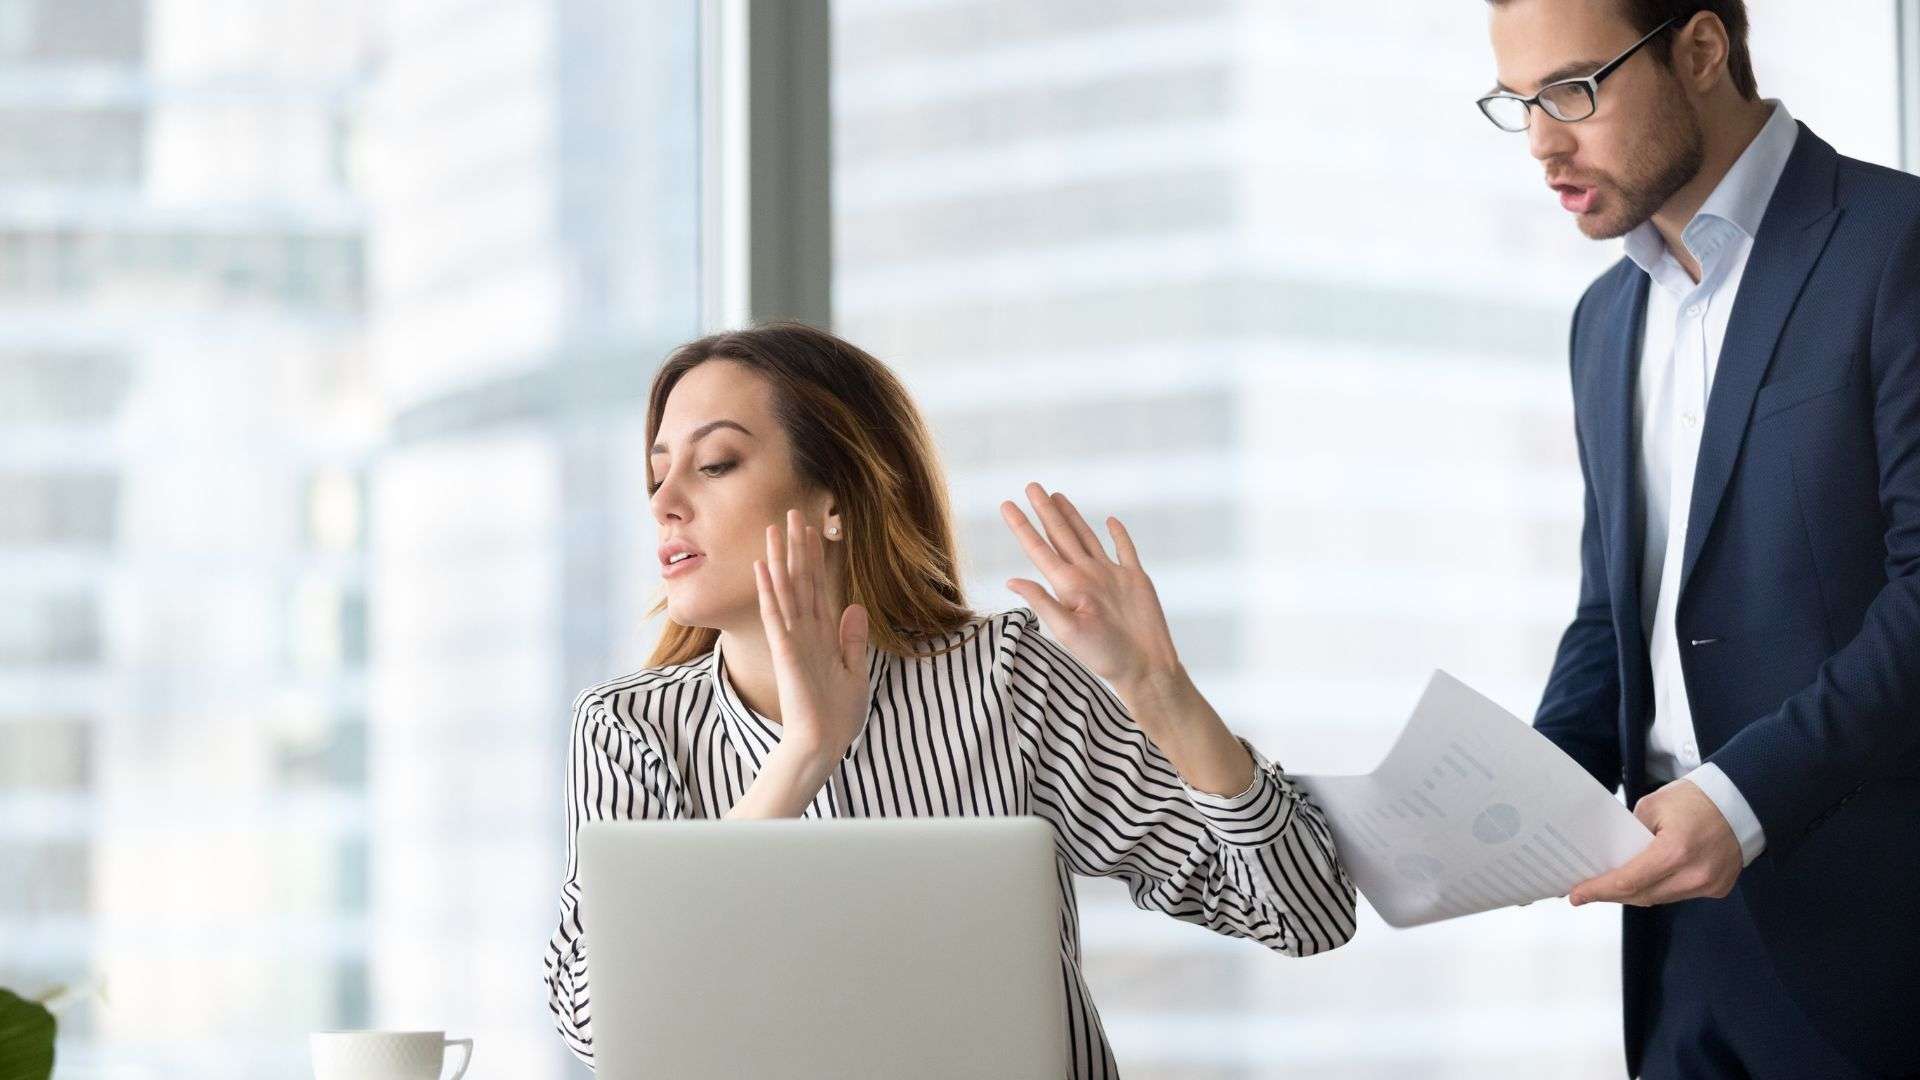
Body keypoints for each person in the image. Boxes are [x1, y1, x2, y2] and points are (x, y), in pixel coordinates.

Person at [541, 323, 1356, 1077]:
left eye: (715, 463)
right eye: (657, 473)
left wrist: (1158, 688)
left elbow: (1306, 912)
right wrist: (802, 758)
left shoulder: (1005, 678)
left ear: (834, 502)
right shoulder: (629, 728)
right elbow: (595, 1021)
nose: (663, 502)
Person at [1481, 1, 1920, 1076]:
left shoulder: (1896, 244)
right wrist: (1516, 798)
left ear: (1702, 50)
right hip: (1679, 950)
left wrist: (1740, 798)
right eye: (1519, 103)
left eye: (1572, 91)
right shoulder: (1603, 320)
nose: (1541, 142)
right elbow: (1612, 614)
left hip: (1878, 942)